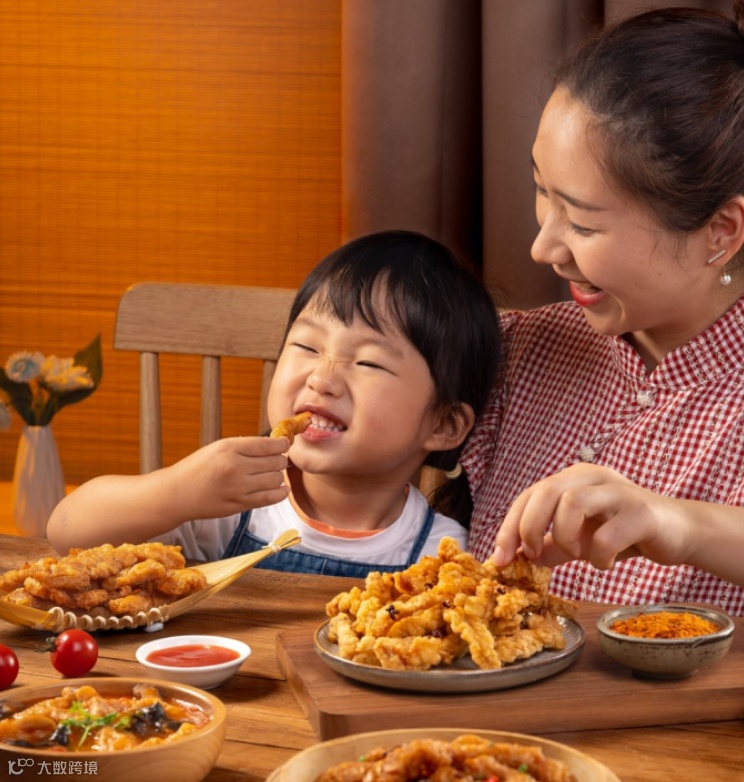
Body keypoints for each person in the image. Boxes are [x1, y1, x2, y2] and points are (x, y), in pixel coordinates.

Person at [462, 1, 744, 614]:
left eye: (584, 224)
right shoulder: (516, 351)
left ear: (721, 232)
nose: (542, 248)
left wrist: (680, 525)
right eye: (542, 190)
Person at [47, 230, 501, 577]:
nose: (322, 378)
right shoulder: (229, 504)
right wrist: (178, 490)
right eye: (306, 346)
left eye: (368, 363)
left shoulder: (443, 557)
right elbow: (66, 531)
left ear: (443, 425)